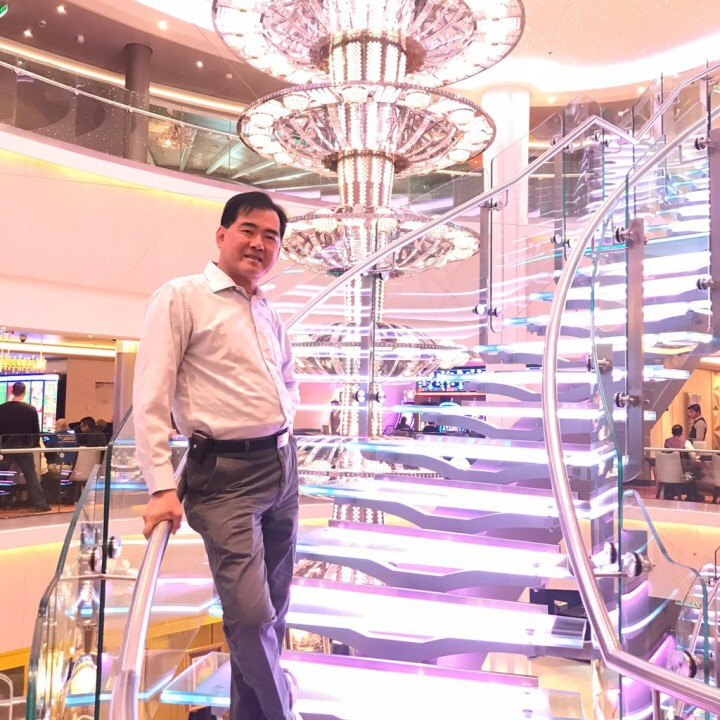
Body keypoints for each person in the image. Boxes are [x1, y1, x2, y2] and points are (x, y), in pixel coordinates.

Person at [134, 192, 301, 720]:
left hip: (283, 466)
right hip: (224, 477)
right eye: (249, 230)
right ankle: (281, 711)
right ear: (222, 234)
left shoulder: (266, 308)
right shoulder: (181, 297)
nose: (259, 244)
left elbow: (288, 378)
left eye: (271, 236)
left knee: (273, 611)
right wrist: (161, 486)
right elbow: (150, 397)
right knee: (250, 617)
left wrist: (285, 422)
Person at [0, 382, 50, 511]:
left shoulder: (2, 408)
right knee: (31, 476)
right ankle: (41, 504)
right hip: (24, 446)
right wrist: (34, 445)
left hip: (6, 446)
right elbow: (36, 431)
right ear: (24, 393)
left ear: (12, 391)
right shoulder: (31, 409)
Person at [662, 424, 701, 501]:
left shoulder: (666, 442)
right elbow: (693, 456)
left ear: (672, 432)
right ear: (682, 432)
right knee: (696, 473)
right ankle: (692, 496)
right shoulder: (686, 442)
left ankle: (670, 494)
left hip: (669, 471)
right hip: (683, 471)